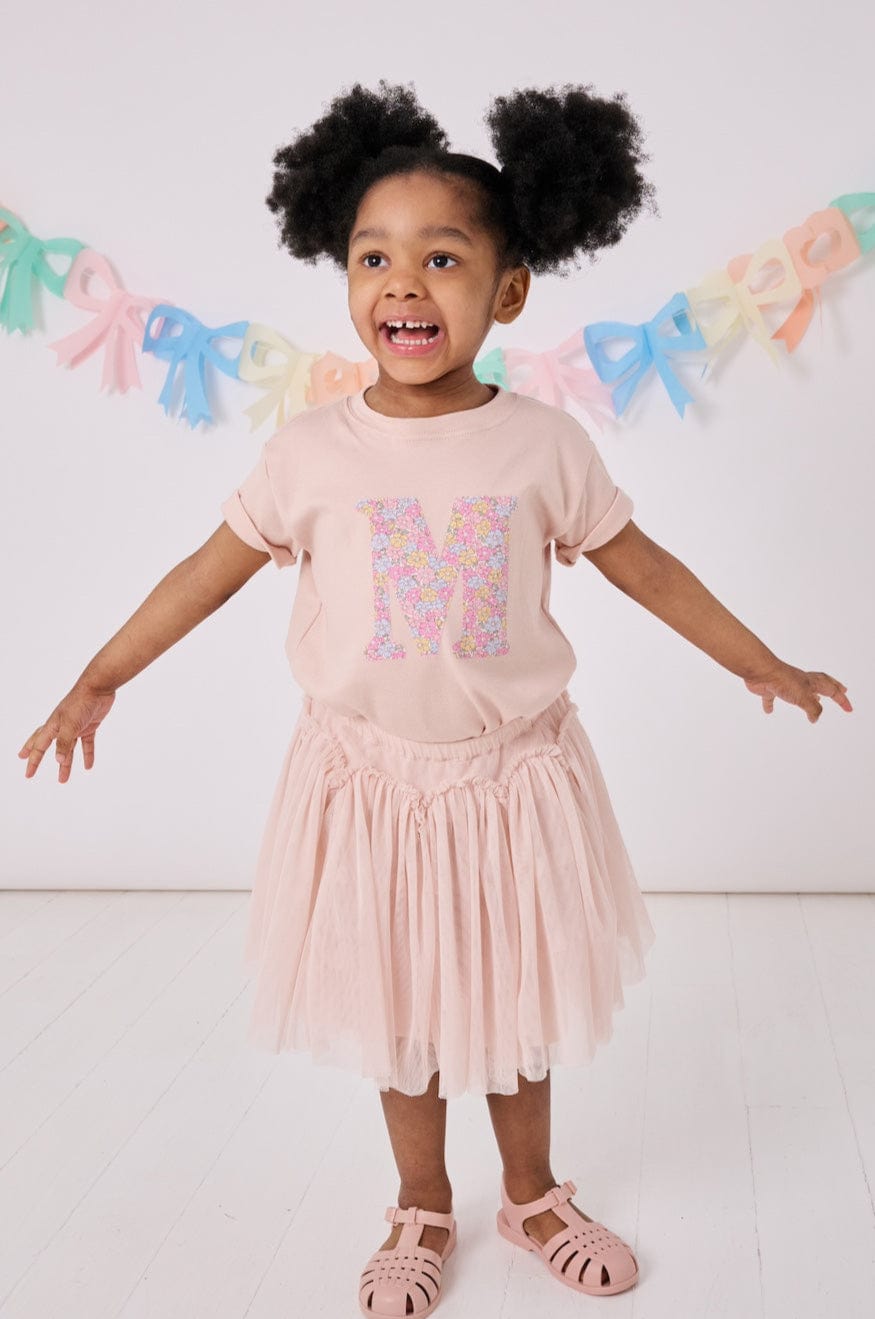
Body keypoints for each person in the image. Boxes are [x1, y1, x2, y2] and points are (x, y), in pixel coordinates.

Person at [18, 79, 852, 1316]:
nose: (402, 285)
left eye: (441, 257)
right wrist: (100, 674)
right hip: (368, 785)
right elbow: (206, 571)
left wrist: (758, 661)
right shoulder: (309, 451)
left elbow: (646, 567)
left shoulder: (542, 446)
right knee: (400, 1011)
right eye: (373, 257)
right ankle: (420, 1202)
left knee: (512, 1006)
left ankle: (531, 1192)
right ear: (342, 275)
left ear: (505, 291)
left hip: (510, 780)